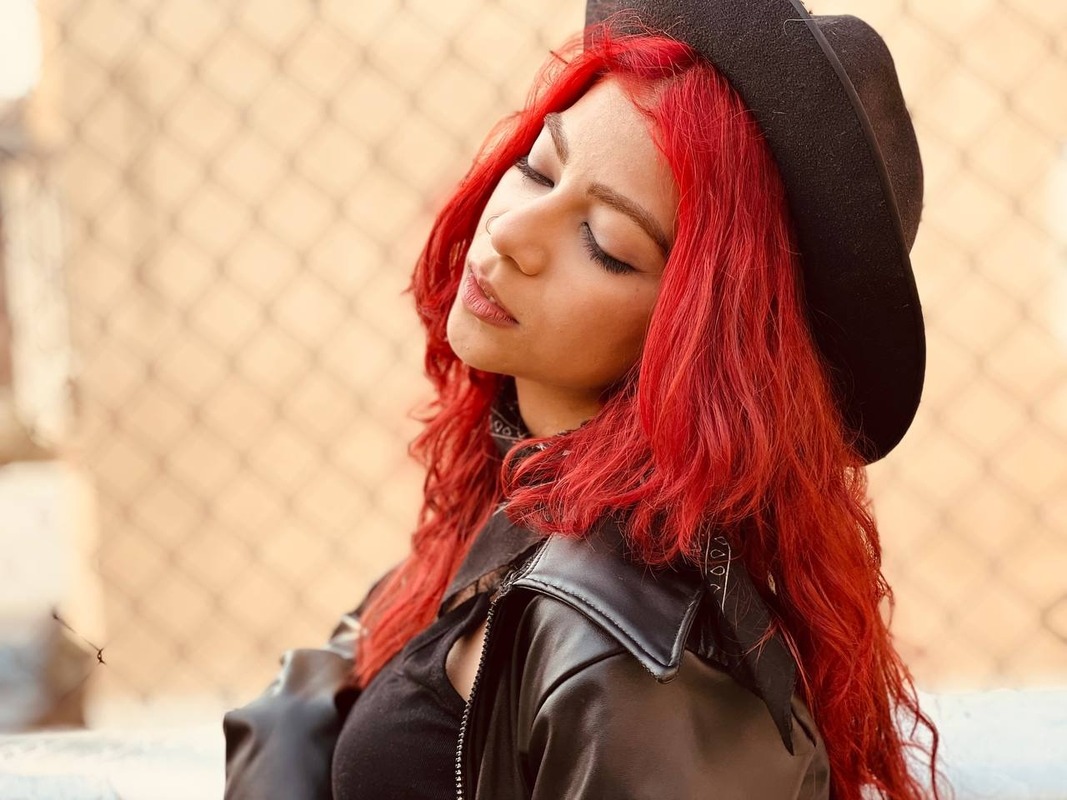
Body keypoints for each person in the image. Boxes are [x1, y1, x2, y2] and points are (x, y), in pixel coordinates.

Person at [224, 1, 947, 798]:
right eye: (538, 168)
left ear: (703, 340)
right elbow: (344, 676)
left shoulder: (634, 661)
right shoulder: (518, 505)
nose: (511, 232)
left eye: (604, 243)